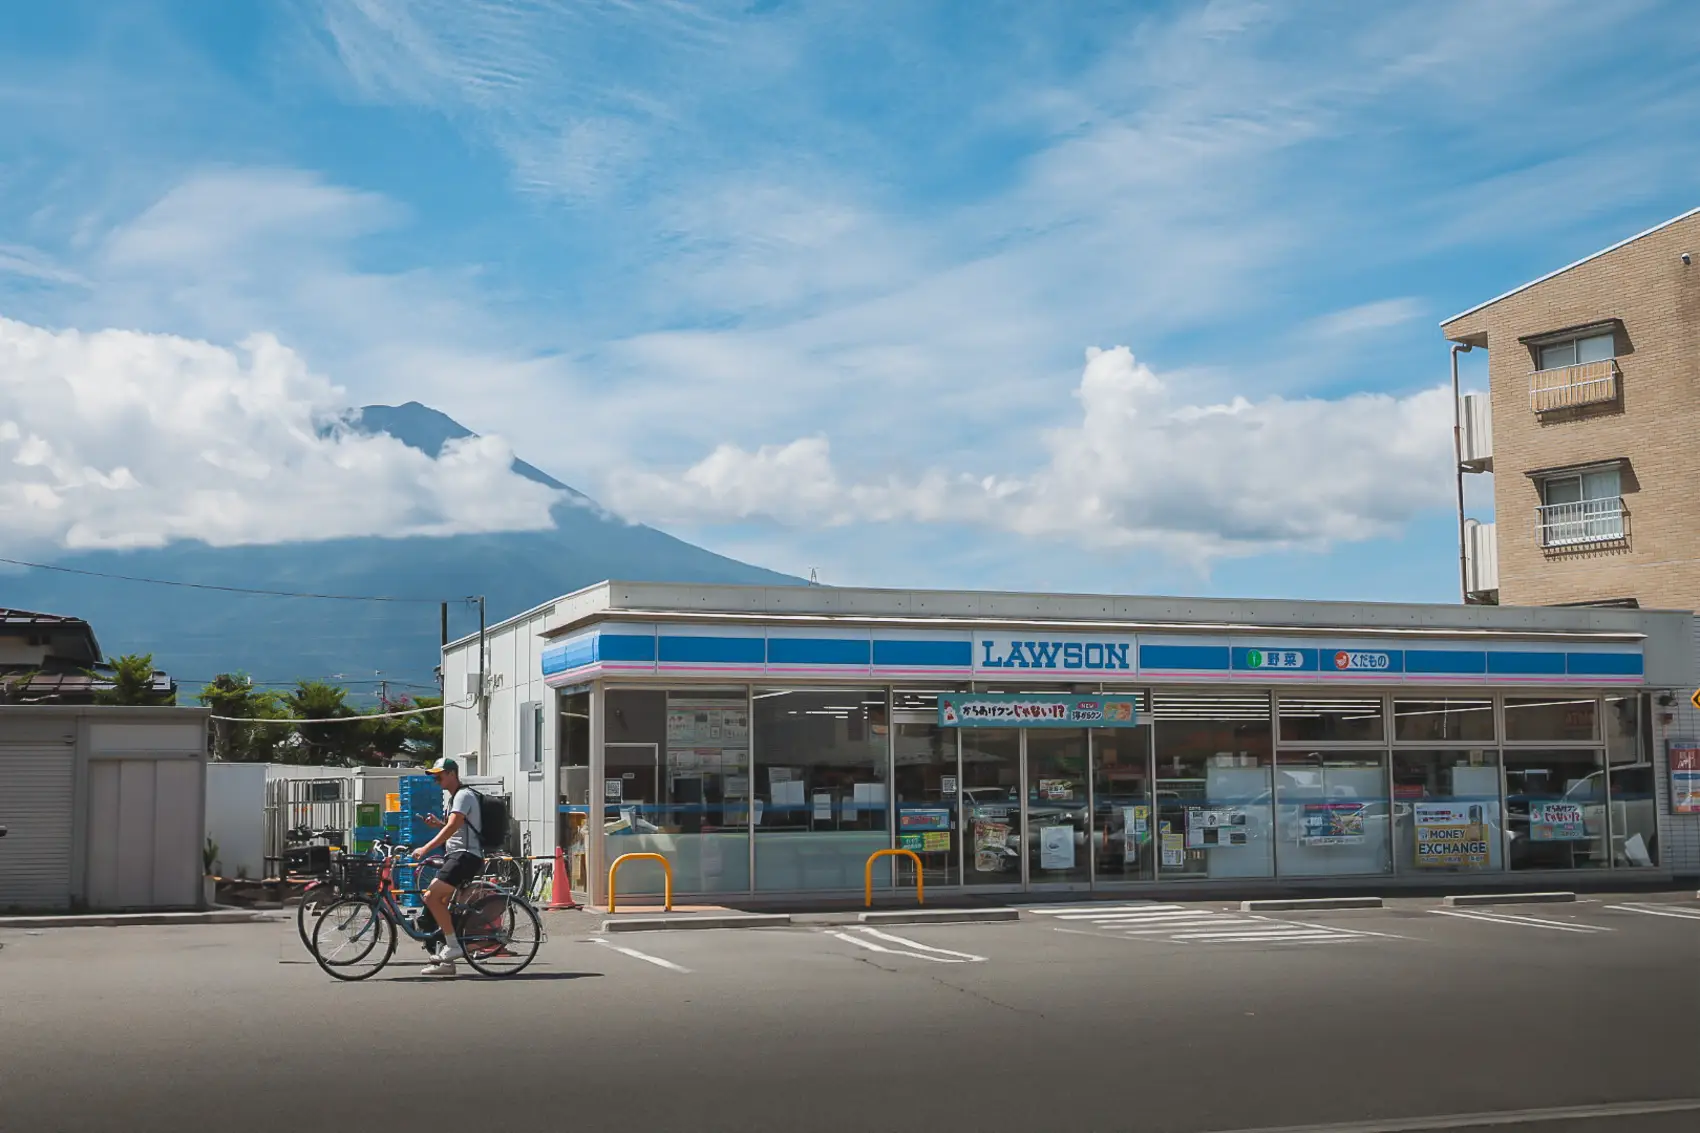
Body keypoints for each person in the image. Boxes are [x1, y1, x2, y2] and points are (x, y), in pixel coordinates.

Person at [410, 756, 483, 977]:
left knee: (431, 896)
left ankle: (453, 946)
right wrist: (438, 825)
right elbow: (457, 828)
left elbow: (452, 828)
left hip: (464, 856)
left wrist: (425, 848)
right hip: (458, 855)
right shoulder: (454, 798)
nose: (436, 780)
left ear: (452, 774)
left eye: (439, 775)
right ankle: (447, 962)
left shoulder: (463, 796)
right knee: (439, 904)